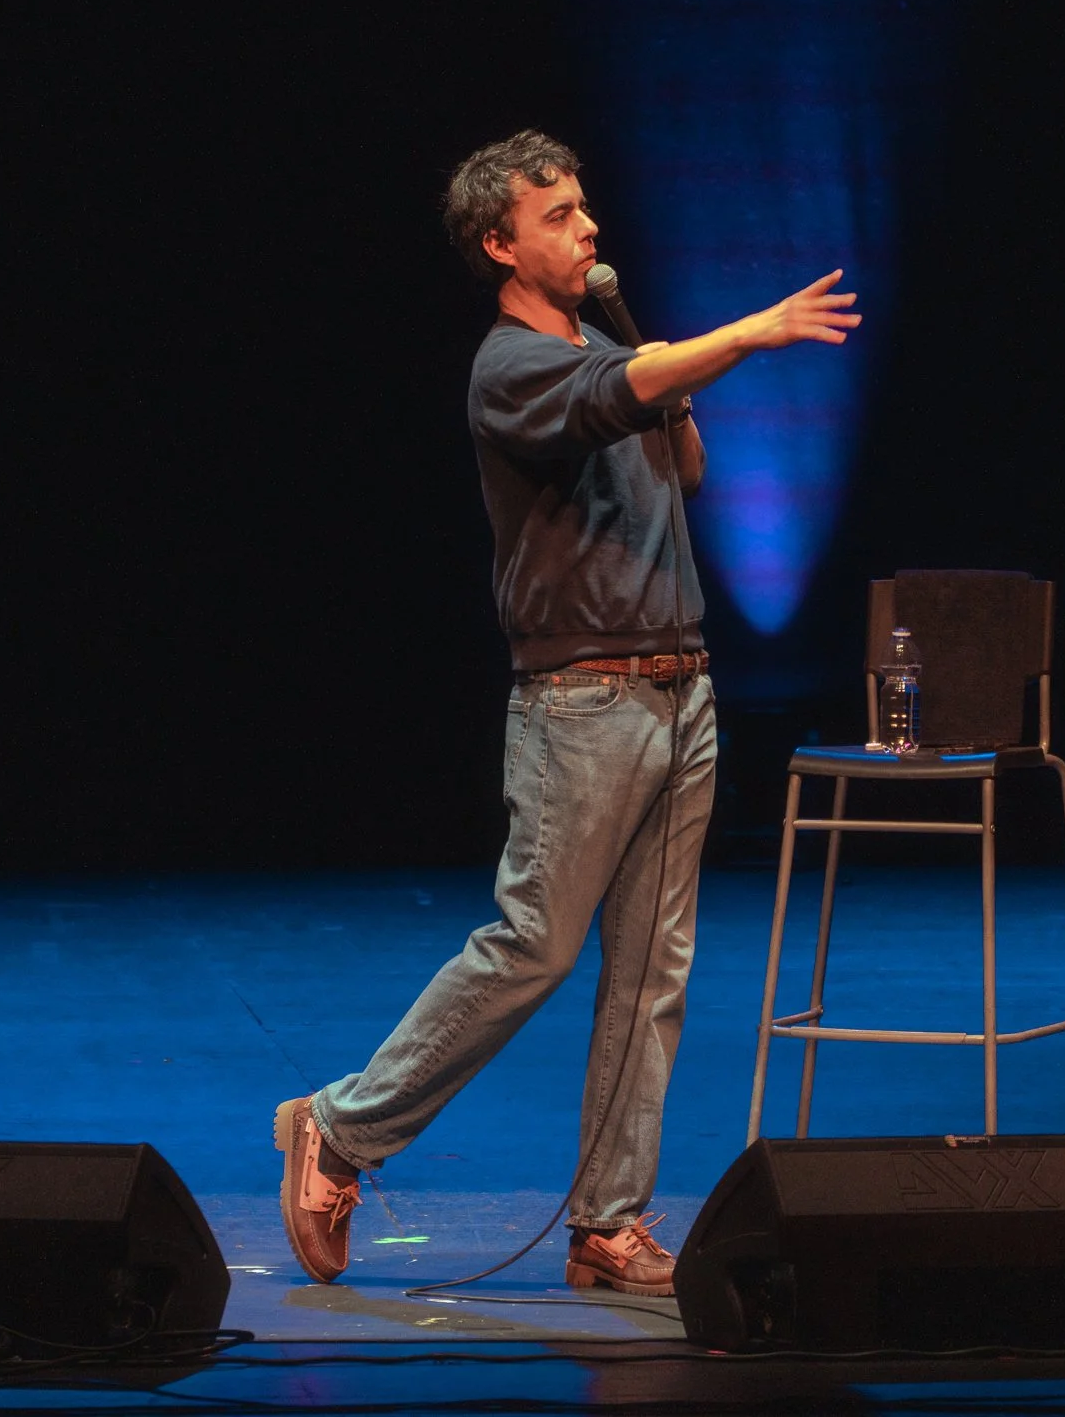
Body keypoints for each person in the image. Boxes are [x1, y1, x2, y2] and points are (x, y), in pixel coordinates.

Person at [274, 129, 860, 1295]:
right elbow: (614, 399)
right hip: (581, 700)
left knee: (653, 970)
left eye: (586, 209)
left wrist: (664, 367)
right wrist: (740, 335)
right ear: (501, 242)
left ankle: (608, 1224)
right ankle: (340, 1127)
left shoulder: (609, 344)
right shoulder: (511, 367)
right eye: (559, 215)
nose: (590, 228)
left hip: (680, 689)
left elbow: (681, 471)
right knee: (532, 945)